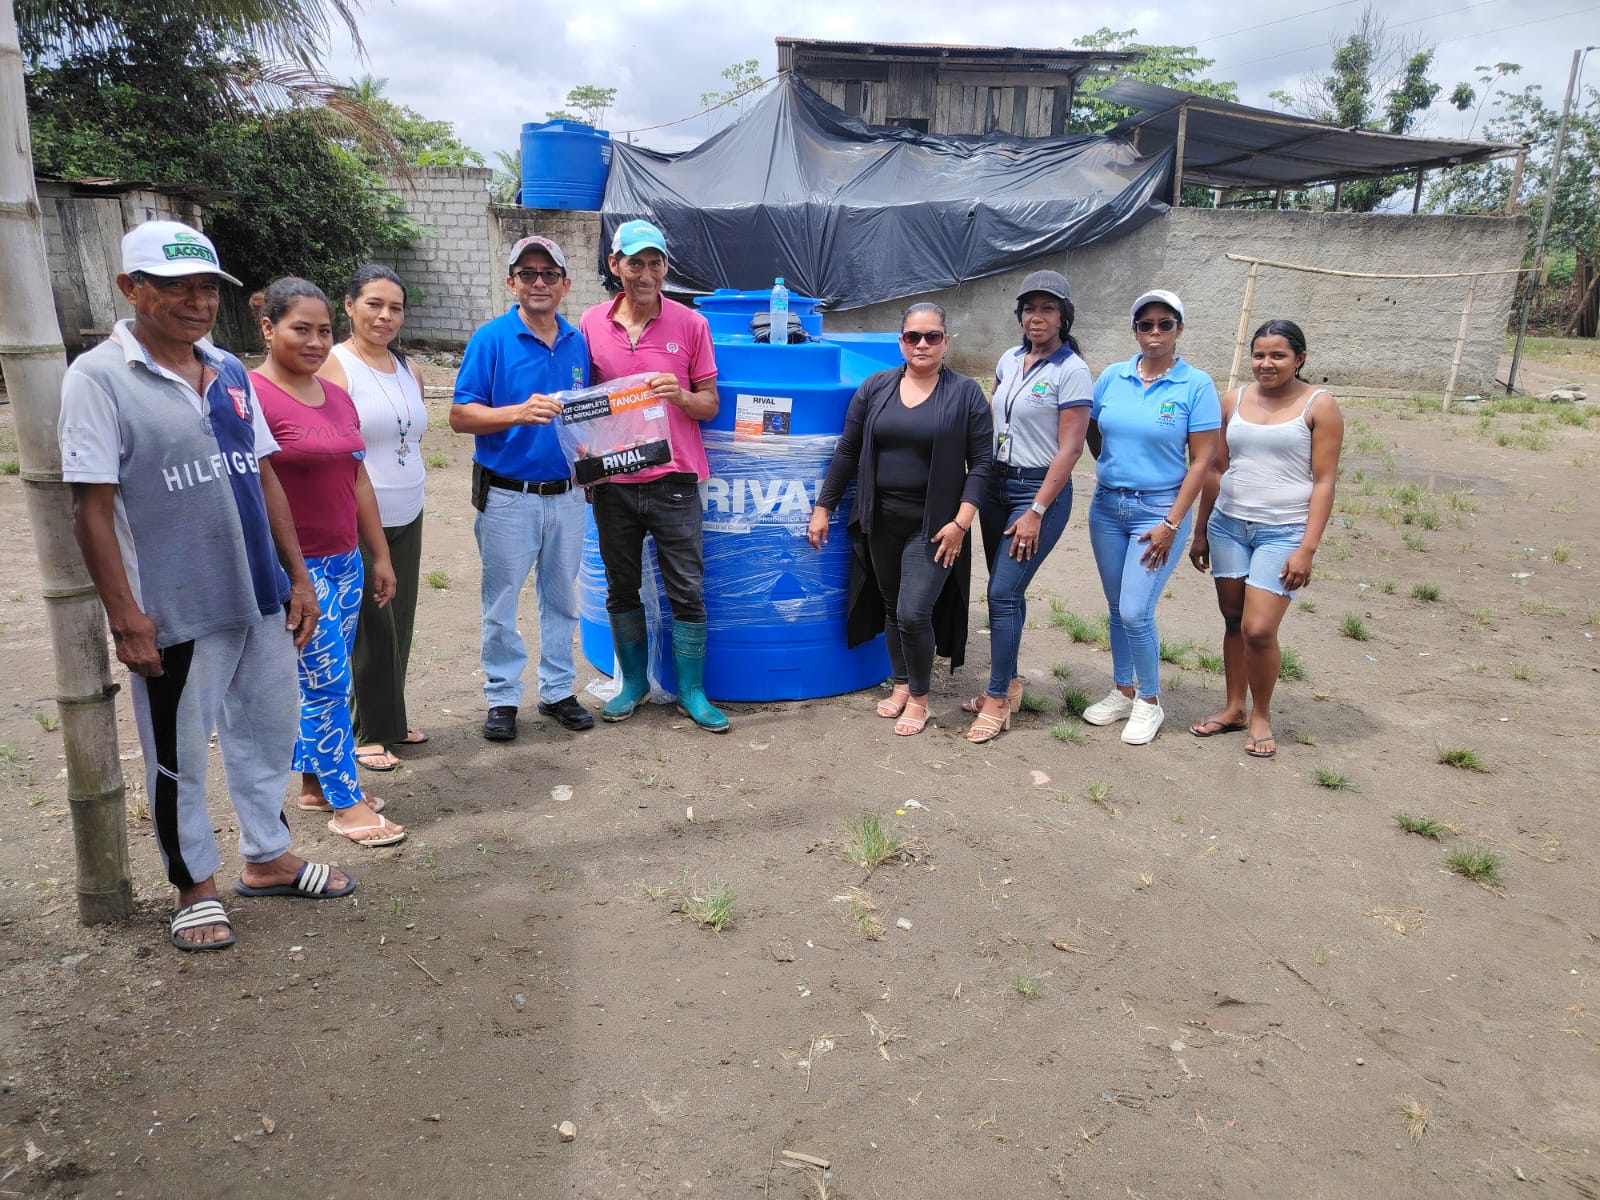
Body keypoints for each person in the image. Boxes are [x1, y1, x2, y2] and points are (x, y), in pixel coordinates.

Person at [59, 220, 356, 953]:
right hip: (176, 607)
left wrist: (297, 577)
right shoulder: (98, 378)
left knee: (267, 733)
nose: (196, 302)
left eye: (206, 288)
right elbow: (91, 508)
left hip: (259, 593)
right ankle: (193, 884)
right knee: (180, 752)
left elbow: (263, 474)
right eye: (175, 287)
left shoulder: (226, 369)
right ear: (131, 289)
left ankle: (268, 857)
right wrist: (126, 616)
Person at [250, 277, 407, 848]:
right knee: (327, 684)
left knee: (323, 678)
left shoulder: (337, 397)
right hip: (295, 570)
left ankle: (315, 785)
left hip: (344, 561)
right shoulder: (250, 398)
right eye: (301, 329)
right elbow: (252, 490)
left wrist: (379, 553)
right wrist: (294, 576)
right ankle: (347, 802)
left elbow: (357, 477)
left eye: (323, 331)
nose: (316, 342)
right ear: (268, 328)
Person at [808, 302, 994, 737]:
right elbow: (848, 450)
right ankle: (903, 684)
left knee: (913, 612)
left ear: (946, 342)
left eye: (932, 336)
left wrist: (961, 522)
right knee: (893, 607)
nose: (922, 344)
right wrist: (823, 507)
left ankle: (921, 700)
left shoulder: (966, 393)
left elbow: (982, 464)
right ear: (901, 342)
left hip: (936, 527)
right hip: (881, 519)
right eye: (913, 336)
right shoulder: (876, 387)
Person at [577, 220, 727, 733]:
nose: (645, 274)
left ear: (665, 268)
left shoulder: (691, 325)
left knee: (687, 589)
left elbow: (710, 404)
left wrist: (681, 396)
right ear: (615, 265)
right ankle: (634, 684)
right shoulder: (591, 323)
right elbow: (581, 404)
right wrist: (584, 456)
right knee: (621, 586)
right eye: (634, 262)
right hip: (614, 483)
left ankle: (691, 691)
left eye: (654, 263)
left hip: (675, 480)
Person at [450, 235, 594, 742]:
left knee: (561, 599)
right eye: (527, 273)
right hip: (509, 496)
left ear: (565, 285)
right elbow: (460, 415)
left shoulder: (578, 342)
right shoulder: (491, 339)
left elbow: (586, 414)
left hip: (568, 495)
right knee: (501, 602)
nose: (539, 282)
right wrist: (517, 412)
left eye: (549, 274)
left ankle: (557, 691)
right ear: (511, 282)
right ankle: (503, 696)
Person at [1188, 320, 1344, 759]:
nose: (1266, 363)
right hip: (1228, 526)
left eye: (1278, 355)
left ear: (1300, 358)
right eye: (1259, 355)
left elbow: (1325, 481)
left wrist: (1307, 549)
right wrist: (1200, 530)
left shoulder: (1319, 405)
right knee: (1233, 619)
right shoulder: (1233, 400)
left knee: (1258, 629)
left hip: (1284, 532)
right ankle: (1234, 708)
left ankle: (1261, 715)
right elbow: (1216, 468)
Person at [1084, 289, 1220, 745]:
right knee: (1116, 606)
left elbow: (1202, 462)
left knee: (1135, 610)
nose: (1155, 332)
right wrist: (1116, 470)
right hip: (1107, 507)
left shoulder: (1195, 385)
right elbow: (1094, 430)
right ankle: (1123, 690)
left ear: (1179, 329)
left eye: (1165, 324)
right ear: (1135, 330)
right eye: (1146, 324)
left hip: (1159, 511)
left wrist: (1172, 523)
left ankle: (1149, 700)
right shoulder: (1112, 377)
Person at [963, 270, 1092, 744]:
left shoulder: (1071, 370)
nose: (1037, 317)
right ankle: (1011, 684)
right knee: (1005, 591)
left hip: (1037, 492)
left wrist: (1036, 510)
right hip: (997, 485)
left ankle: (997, 699)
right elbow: (996, 419)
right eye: (1030, 308)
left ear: (1063, 317)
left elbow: (1071, 449)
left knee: (1002, 592)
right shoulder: (1009, 359)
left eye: (1048, 309)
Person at [318, 264, 428, 771]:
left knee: (399, 621)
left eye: (395, 308)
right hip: (361, 515)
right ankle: (366, 731)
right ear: (349, 306)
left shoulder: (409, 368)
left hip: (410, 507)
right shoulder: (335, 366)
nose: (385, 316)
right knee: (370, 626)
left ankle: (390, 718)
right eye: (374, 305)